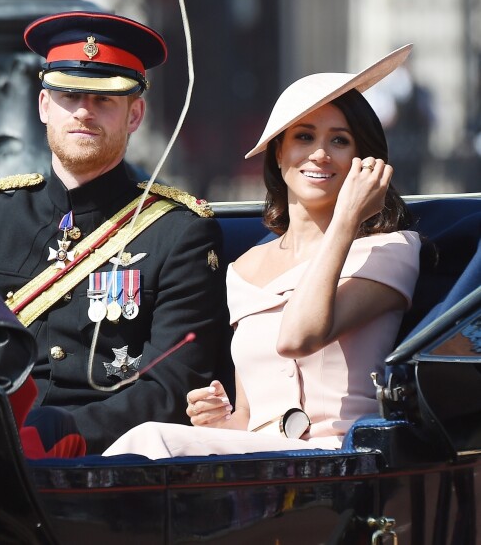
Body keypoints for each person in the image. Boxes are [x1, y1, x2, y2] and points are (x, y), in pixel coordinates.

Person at [102, 44, 421, 459]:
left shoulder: (390, 249)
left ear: (363, 159)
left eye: (339, 140)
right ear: (280, 153)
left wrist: (345, 221)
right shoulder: (245, 269)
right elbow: (249, 417)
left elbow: (298, 337)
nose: (320, 154)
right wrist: (220, 420)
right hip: (261, 463)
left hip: (342, 457)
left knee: (150, 441)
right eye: (304, 137)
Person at [0, 11, 230, 454]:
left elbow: (172, 382)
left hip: (107, 460)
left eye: (105, 100)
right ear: (44, 105)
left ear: (135, 114)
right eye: (69, 95)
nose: (84, 111)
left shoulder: (179, 231)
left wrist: (66, 431)